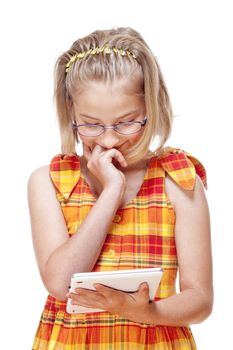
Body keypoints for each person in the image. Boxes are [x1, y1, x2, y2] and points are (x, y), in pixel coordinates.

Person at [28, 27, 213, 349]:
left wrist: (145, 311)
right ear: (70, 111)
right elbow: (59, 282)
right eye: (91, 124)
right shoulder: (49, 182)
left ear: (151, 107)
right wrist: (111, 191)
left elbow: (200, 301)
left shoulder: (179, 180)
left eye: (128, 122)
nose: (110, 140)